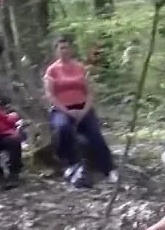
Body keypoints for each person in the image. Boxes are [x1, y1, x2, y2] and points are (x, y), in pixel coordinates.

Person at [44, 36, 117, 188]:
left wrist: (84, 110)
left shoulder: (80, 68)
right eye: (61, 48)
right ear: (56, 51)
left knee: (95, 133)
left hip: (83, 107)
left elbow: (90, 92)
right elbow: (50, 95)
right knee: (62, 129)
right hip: (61, 109)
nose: (64, 51)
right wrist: (67, 112)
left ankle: (109, 169)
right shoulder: (52, 70)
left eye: (66, 47)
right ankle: (70, 164)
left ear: (71, 50)